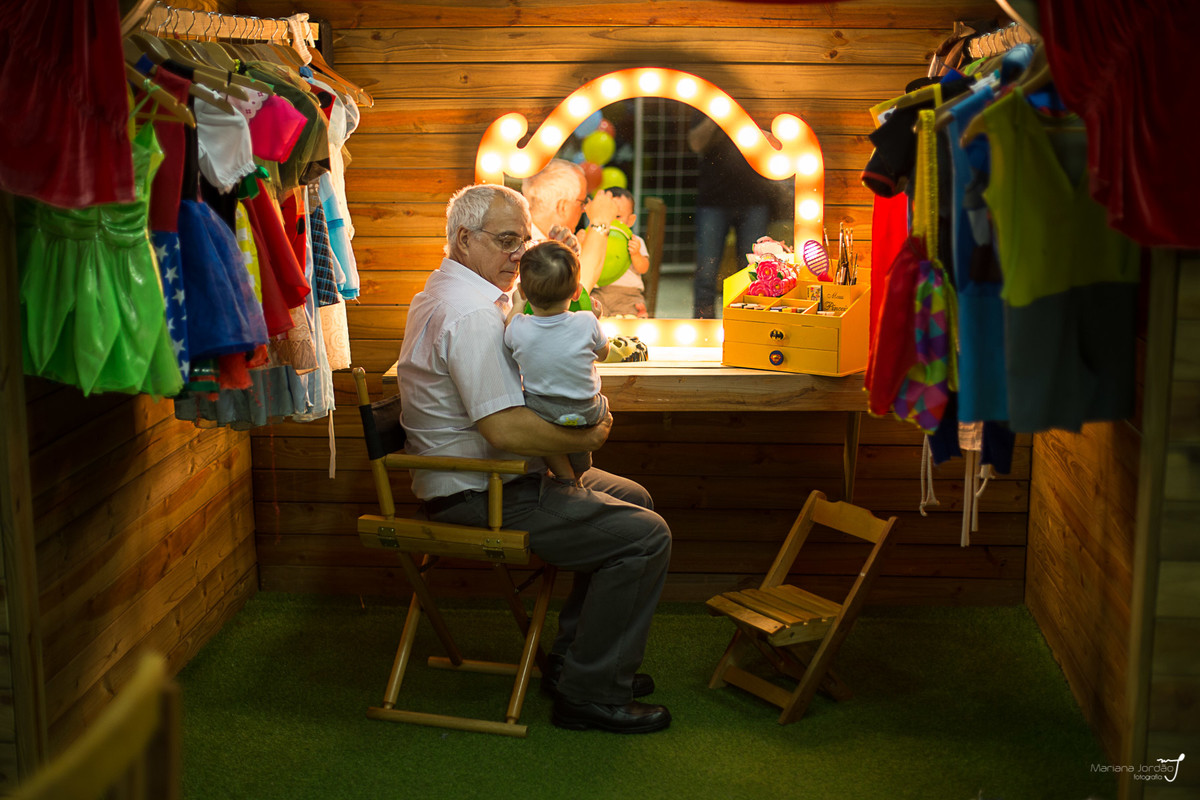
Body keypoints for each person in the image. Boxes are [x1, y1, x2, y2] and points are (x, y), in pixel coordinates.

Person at [396, 183, 672, 734]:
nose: (519, 254)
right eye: (506, 241)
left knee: (634, 499)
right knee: (645, 536)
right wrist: (588, 436)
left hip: (490, 479)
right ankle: (590, 695)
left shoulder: (456, 294)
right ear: (463, 239)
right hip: (478, 492)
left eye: (523, 241)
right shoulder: (470, 314)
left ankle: (575, 663)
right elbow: (504, 429)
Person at [505, 241, 610, 483]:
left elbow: (509, 329)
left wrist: (517, 306)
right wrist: (595, 321)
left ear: (523, 292)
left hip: (542, 410)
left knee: (545, 440)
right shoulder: (587, 321)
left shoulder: (519, 327)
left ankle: (564, 476)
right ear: (577, 292)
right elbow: (603, 354)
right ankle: (579, 474)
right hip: (586, 410)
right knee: (598, 411)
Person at [688, 113, 773, 318]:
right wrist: (717, 115)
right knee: (706, 274)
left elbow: (774, 147)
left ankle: (748, 325)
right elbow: (696, 143)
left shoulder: (758, 105)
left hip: (755, 198)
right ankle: (704, 327)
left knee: (754, 273)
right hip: (713, 199)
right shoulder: (709, 105)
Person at [522, 158, 620, 292]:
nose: (584, 209)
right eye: (582, 202)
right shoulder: (528, 246)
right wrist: (600, 222)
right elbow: (576, 291)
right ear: (562, 206)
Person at [586, 186, 651, 318]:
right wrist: (583, 242)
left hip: (628, 295)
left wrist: (636, 254)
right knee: (590, 314)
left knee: (629, 319)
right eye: (608, 215)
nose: (612, 220)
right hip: (599, 291)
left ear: (631, 220)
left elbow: (644, 268)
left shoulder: (635, 241)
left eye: (618, 216)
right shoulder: (596, 238)